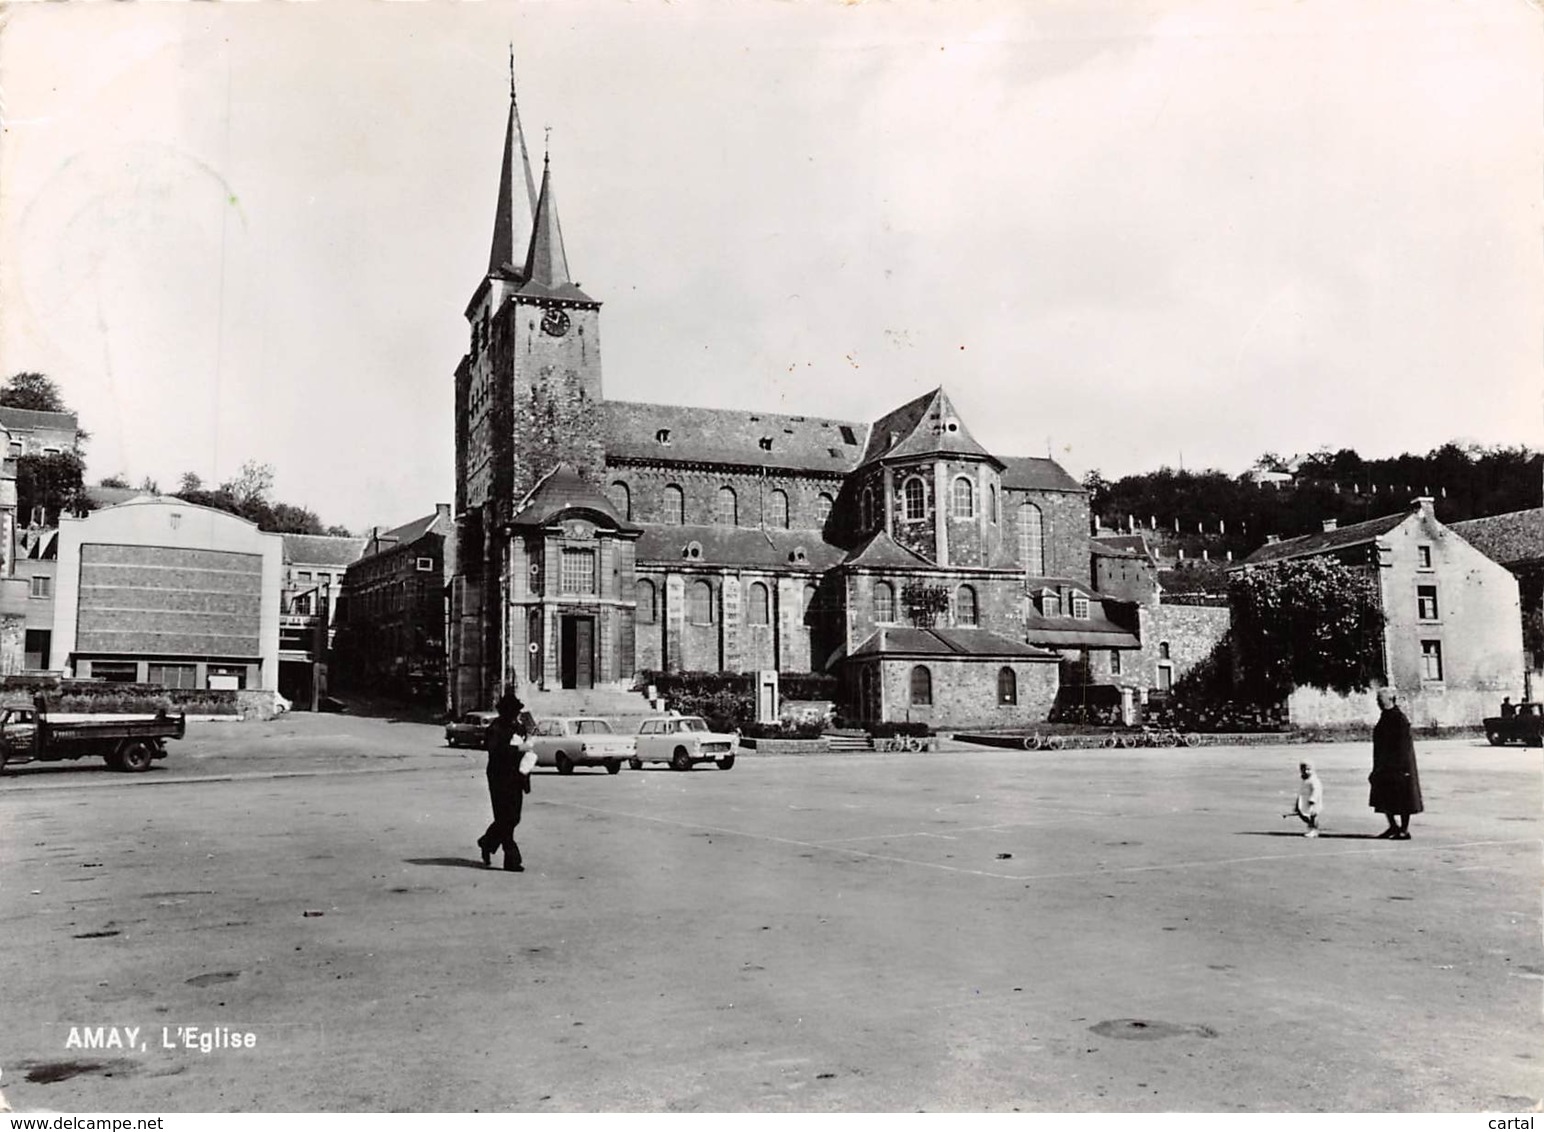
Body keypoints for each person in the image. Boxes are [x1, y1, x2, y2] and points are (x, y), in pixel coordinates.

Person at [477, 689, 534, 872]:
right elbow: (495, 752)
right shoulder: (495, 728)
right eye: (514, 711)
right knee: (505, 818)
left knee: (513, 817)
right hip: (499, 777)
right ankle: (512, 860)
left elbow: (525, 748)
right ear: (505, 712)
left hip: (516, 777)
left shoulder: (518, 727)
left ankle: (487, 842)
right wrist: (519, 749)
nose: (516, 714)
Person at [1370, 687, 1423, 840]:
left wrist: (1404, 768)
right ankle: (1393, 827)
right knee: (1385, 796)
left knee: (1403, 798)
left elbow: (1404, 746)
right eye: (1378, 700)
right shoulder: (1385, 716)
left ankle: (1404, 830)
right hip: (1384, 764)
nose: (1378, 703)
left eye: (1381, 700)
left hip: (1399, 765)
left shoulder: (1400, 719)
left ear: (1390, 700)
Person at [1285, 760, 1323, 838]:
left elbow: (1317, 790)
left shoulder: (1314, 780)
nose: (1306, 771)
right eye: (1304, 770)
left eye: (1308, 769)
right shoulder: (1304, 780)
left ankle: (1313, 830)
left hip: (1312, 802)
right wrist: (1297, 802)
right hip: (1304, 801)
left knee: (1312, 816)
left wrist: (1313, 799)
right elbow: (1301, 791)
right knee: (1303, 814)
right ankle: (1311, 827)